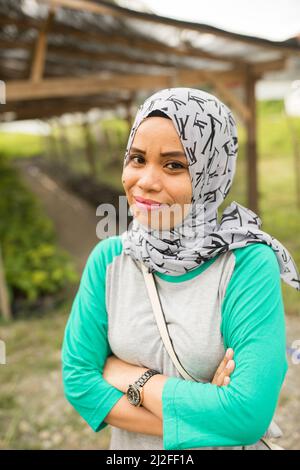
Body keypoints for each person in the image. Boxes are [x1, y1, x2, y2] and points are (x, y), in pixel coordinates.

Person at [61, 87, 300, 450]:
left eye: (174, 165)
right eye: (137, 159)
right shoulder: (109, 261)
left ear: (212, 173)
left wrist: (129, 376)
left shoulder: (246, 264)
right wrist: (209, 412)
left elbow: (248, 414)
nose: (146, 181)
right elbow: (78, 382)